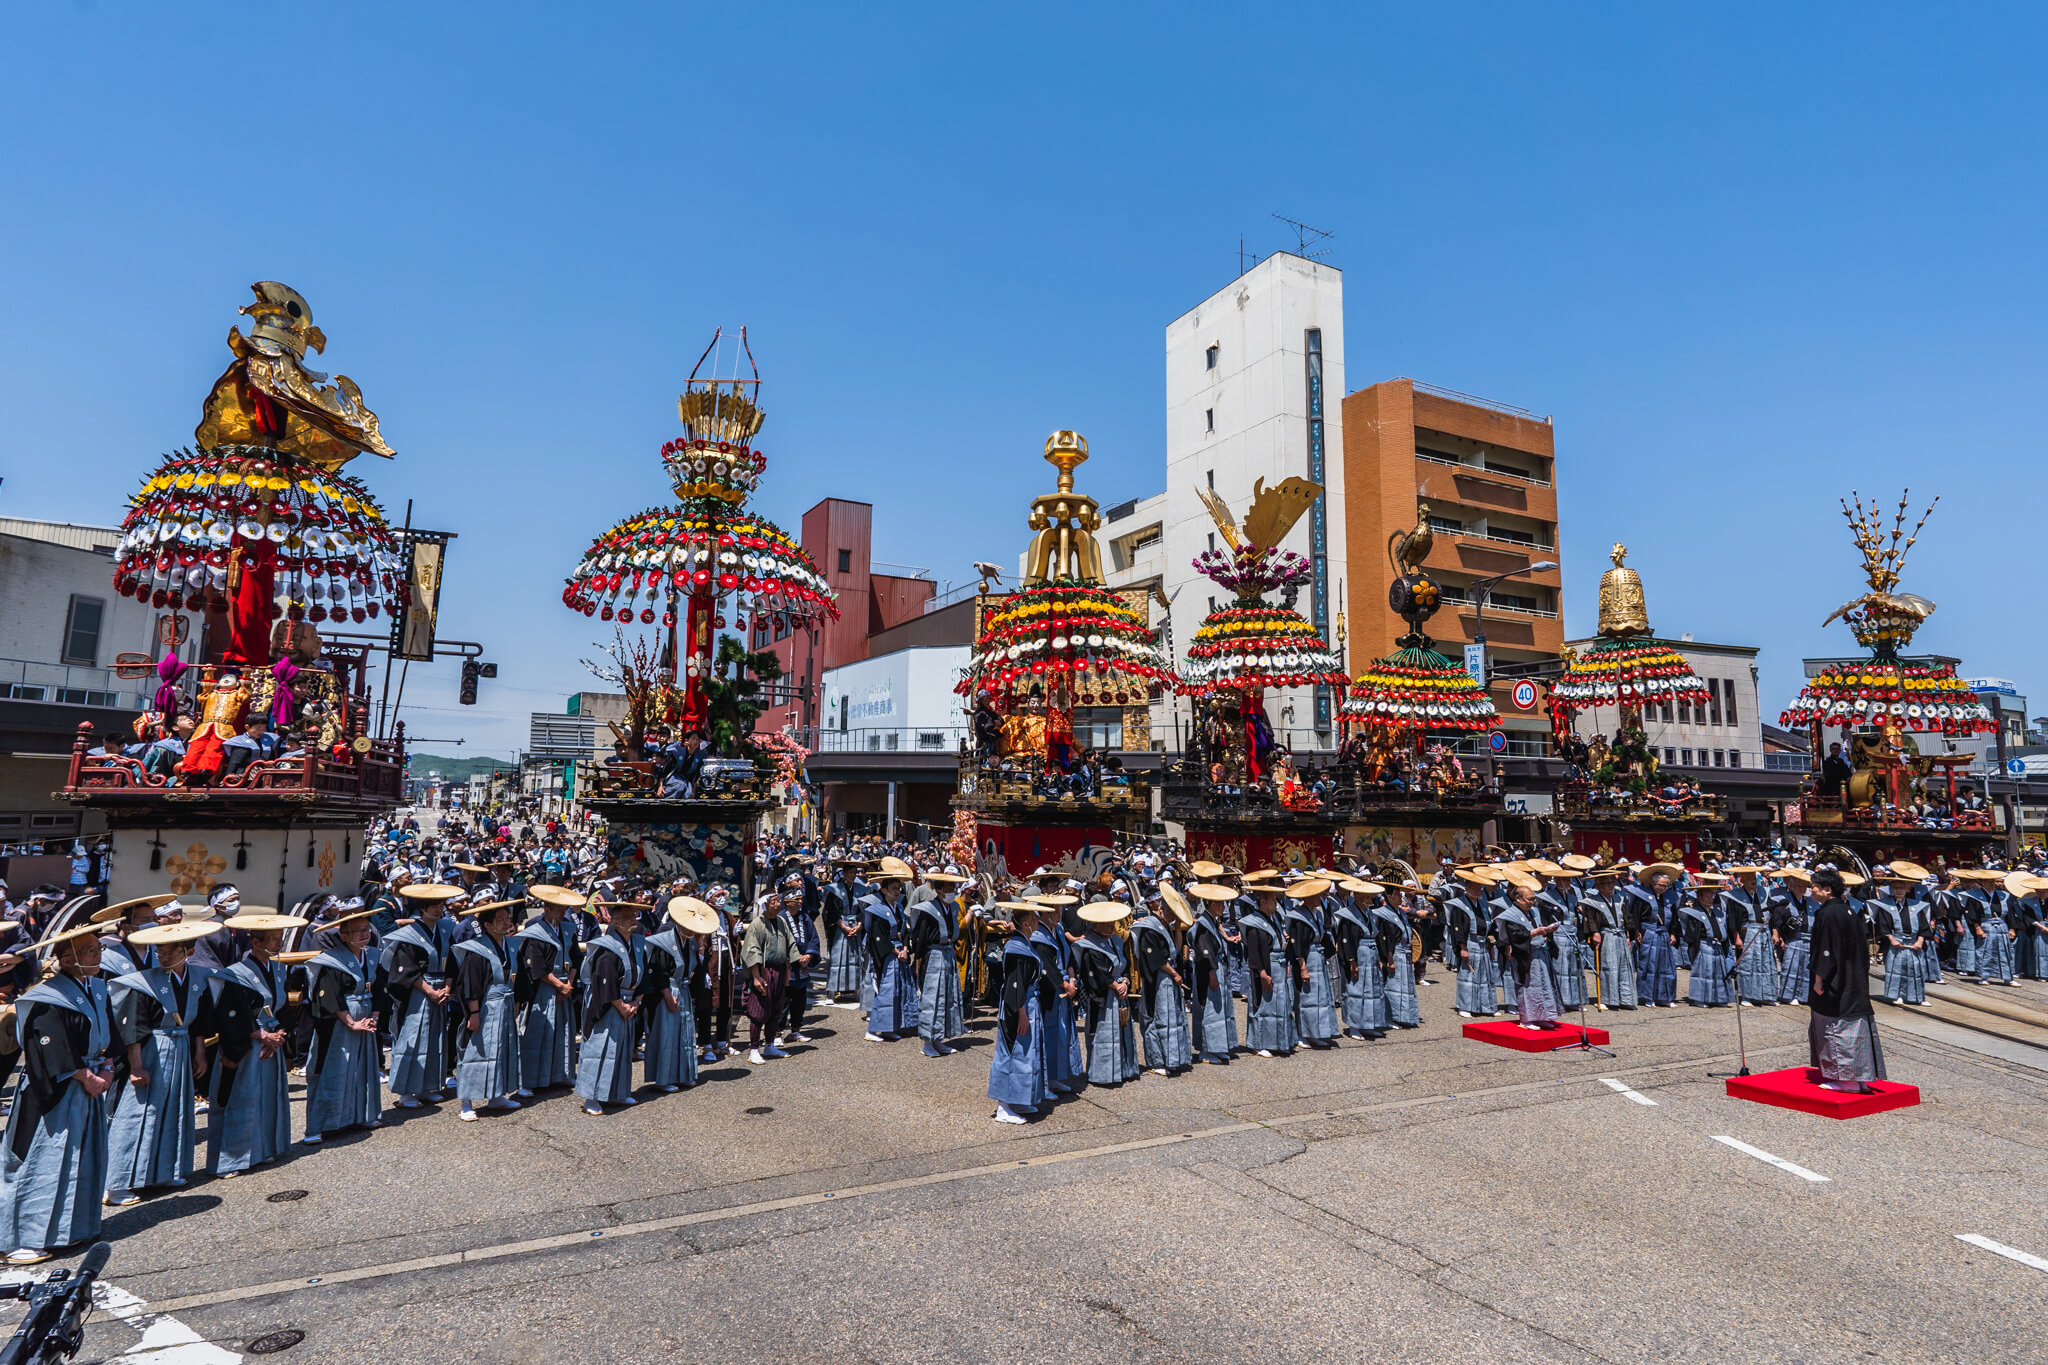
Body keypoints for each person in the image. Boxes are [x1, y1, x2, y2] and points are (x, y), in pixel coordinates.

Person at [0, 923, 116, 1264]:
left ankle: (72, 1228)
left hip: (90, 1085)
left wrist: (108, 1069)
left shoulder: (97, 989)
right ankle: (20, 1237)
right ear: (67, 960)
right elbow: (49, 1052)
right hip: (54, 1092)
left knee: (80, 1159)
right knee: (39, 1162)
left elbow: (110, 1038)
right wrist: (86, 1076)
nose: (98, 955)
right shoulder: (45, 998)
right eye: (90, 951)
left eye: (98, 949)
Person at [103, 919, 219, 1206]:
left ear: (188, 951)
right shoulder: (143, 983)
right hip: (152, 1049)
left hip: (180, 1047)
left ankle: (164, 1171)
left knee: (175, 1111)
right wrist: (136, 1065)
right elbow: (133, 1028)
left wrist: (200, 1052)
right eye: (159, 951)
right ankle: (116, 1183)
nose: (163, 956)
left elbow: (200, 1022)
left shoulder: (197, 978)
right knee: (139, 1114)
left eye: (170, 951)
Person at [202, 912, 300, 1177]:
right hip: (247, 1045)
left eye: (280, 938)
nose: (279, 943)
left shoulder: (278, 969)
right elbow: (230, 1013)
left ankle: (262, 1150)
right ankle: (230, 1160)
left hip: (271, 1043)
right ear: (255, 943)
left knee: (267, 1097)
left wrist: (281, 1033)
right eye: (273, 939)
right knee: (240, 1099)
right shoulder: (235, 974)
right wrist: (260, 1035)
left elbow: (284, 1009)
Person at [302, 907, 382, 1143]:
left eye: (366, 929)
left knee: (363, 1067)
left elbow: (379, 989)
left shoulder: (372, 956)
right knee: (332, 1069)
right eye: (357, 931)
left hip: (366, 1019)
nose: (363, 934)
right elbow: (331, 997)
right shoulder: (332, 961)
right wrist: (350, 1022)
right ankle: (319, 1125)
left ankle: (360, 1115)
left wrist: (374, 1016)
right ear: (343, 935)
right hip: (338, 1024)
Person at [1807, 868, 1886, 1092]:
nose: (1811, 889)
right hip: (1854, 978)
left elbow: (1825, 950)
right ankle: (1859, 1077)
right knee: (1854, 1026)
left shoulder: (1827, 914)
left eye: (1814, 886)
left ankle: (1845, 1079)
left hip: (1836, 980)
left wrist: (1819, 980)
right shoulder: (1848, 910)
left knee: (1835, 1027)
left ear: (1827, 889)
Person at [382, 886, 455, 1109]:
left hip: (440, 990)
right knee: (413, 1039)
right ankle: (406, 1091)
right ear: (421, 909)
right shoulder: (410, 935)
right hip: (418, 993)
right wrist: (430, 991)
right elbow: (406, 969)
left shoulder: (444, 929)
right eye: (433, 905)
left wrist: (447, 988)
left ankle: (426, 1086)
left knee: (435, 1039)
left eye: (441, 904)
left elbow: (452, 962)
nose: (438, 909)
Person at [451, 900, 523, 1121]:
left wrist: (516, 1005)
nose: (506, 924)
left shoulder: (510, 945)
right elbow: (470, 984)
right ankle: (466, 1102)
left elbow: (518, 979)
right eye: (500, 920)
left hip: (506, 1004)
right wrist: (473, 1013)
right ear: (488, 925)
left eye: (508, 919)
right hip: (485, 1007)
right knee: (476, 1052)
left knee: (502, 1050)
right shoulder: (477, 949)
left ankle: (497, 1095)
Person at [577, 900, 647, 1115]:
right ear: (615, 922)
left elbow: (644, 977)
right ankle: (592, 1097)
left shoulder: (637, 944)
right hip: (608, 1005)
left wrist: (636, 1002)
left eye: (634, 915)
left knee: (622, 1051)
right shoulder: (606, 948)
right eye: (627, 917)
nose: (633, 919)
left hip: (629, 1002)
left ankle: (618, 1092)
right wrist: (621, 1005)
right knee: (600, 1049)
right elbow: (603, 981)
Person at [514, 886, 582, 1092]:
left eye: (564, 909)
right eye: (558, 909)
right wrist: (560, 985)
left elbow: (576, 958)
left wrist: (569, 983)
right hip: (544, 988)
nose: (562, 913)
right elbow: (536, 966)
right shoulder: (536, 930)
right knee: (539, 1032)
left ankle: (560, 1074)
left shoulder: (568, 928)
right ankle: (531, 1079)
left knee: (564, 1032)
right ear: (546, 908)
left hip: (564, 986)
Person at [988, 902, 1049, 1124]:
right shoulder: (1016, 949)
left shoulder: (1023, 944)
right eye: (1034, 920)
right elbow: (1016, 984)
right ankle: (1003, 1106)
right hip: (1018, 1006)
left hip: (1028, 1002)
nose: (1037, 923)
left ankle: (1019, 1099)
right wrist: (1022, 1012)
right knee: (1012, 1052)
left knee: (1025, 1054)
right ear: (1024, 924)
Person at [1073, 902, 1140, 1085]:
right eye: (1107, 924)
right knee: (1103, 1033)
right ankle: (1102, 1074)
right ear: (1097, 924)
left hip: (1120, 992)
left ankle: (1123, 1069)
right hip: (1104, 995)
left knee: (1122, 1031)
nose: (1111, 927)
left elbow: (1124, 965)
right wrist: (1114, 985)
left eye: (1113, 923)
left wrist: (1125, 982)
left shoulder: (1116, 941)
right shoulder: (1090, 945)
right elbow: (1094, 973)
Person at [644, 897, 704, 1092]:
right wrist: (667, 994)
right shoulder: (665, 939)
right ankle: (664, 1078)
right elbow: (658, 970)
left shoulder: (691, 942)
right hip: (668, 990)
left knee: (685, 1034)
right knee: (667, 1034)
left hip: (684, 989)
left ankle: (684, 1074)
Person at [1129, 889, 1191, 1076]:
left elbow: (1176, 951)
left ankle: (1173, 1057)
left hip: (1169, 978)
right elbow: (1155, 958)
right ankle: (1157, 1060)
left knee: (1173, 1019)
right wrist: (1174, 973)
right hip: (1158, 979)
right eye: (1173, 913)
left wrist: (1178, 927)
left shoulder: (1165, 925)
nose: (1174, 916)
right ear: (1162, 909)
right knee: (1157, 1019)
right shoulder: (1150, 928)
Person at [860, 858, 920, 1043]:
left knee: (898, 991)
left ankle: (889, 1028)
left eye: (899, 887)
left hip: (900, 953)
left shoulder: (899, 907)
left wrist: (907, 948)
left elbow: (906, 931)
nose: (898, 891)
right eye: (894, 888)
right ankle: (873, 1029)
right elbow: (879, 937)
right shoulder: (877, 910)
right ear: (884, 890)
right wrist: (896, 952)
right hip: (887, 955)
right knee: (886, 991)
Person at [910, 872, 968, 1058]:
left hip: (948, 953)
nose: (952, 892)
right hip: (933, 955)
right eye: (949, 889)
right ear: (940, 890)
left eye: (954, 889)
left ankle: (939, 1039)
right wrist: (918, 961)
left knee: (948, 997)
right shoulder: (928, 909)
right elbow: (920, 938)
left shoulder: (952, 908)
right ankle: (927, 1041)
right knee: (932, 998)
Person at [1493, 877, 1562, 1028]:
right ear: (1517, 898)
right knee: (1527, 986)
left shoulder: (1534, 912)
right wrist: (1535, 932)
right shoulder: (1510, 914)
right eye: (1529, 899)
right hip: (1525, 954)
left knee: (1543, 985)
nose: (1532, 902)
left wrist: (1548, 930)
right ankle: (1526, 1018)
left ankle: (1541, 1016)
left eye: (1533, 899)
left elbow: (1541, 926)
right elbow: (1515, 935)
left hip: (1540, 953)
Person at [1239, 882, 1297, 1057]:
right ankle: (1259, 1043)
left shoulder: (1275, 918)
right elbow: (1254, 951)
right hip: (1265, 966)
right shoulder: (1254, 923)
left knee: (1279, 1005)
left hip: (1279, 964)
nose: (1275, 903)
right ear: (1262, 901)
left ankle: (1279, 1040)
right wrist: (1262, 972)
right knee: (1263, 1006)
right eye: (1272, 899)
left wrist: (1285, 962)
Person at [739, 892, 795, 1066]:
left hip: (779, 970)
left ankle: (770, 1044)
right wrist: (755, 977)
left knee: (776, 1009)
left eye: (779, 901)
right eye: (773, 901)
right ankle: (754, 1049)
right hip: (763, 971)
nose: (777, 904)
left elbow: (790, 944)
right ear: (765, 904)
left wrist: (793, 965)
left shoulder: (781, 921)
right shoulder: (757, 924)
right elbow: (752, 950)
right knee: (759, 1011)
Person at [1185, 885, 1239, 1063]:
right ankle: (1206, 1049)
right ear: (1212, 905)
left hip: (1216, 966)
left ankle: (1219, 1046)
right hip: (1207, 969)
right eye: (1220, 903)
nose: (1223, 907)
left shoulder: (1212, 921)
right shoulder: (1202, 925)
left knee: (1220, 1007)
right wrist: (1211, 974)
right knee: (1209, 1008)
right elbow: (1204, 951)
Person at [1722, 867, 1781, 1006]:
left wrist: (1775, 932)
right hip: (1747, 932)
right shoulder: (1734, 896)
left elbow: (1774, 915)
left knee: (1767, 964)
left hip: (1764, 931)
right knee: (1748, 965)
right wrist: (1736, 937)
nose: (1753, 881)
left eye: (1754, 878)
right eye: (1749, 879)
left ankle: (1767, 995)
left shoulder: (1764, 892)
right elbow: (1732, 920)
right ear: (1741, 880)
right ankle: (1747, 996)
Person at [1582, 867, 1638, 1010]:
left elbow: (1627, 918)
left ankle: (1625, 998)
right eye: (1606, 883)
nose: (1610, 886)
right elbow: (1590, 920)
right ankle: (1608, 998)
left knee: (1624, 966)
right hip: (1606, 936)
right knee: (1608, 967)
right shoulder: (1592, 901)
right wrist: (1594, 932)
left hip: (1620, 935)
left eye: (1612, 882)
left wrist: (1629, 934)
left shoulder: (1619, 898)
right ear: (1598, 886)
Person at [777, 873, 818, 1045]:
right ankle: (777, 1032)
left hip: (803, 964)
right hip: (787, 965)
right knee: (783, 1000)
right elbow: (778, 941)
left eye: (801, 899)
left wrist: (809, 954)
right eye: (796, 899)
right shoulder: (781, 918)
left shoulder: (805, 917)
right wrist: (792, 956)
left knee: (800, 1000)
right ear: (787, 902)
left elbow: (813, 938)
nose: (800, 902)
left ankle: (796, 1030)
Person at [822, 860, 869, 1002]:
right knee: (837, 958)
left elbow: (864, 909)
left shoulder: (861, 889)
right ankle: (832, 991)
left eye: (855, 873)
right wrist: (843, 926)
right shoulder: (834, 889)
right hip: (840, 927)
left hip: (856, 925)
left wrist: (860, 924)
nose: (853, 875)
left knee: (856, 958)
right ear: (843, 874)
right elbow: (831, 912)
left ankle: (857, 990)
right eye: (850, 873)